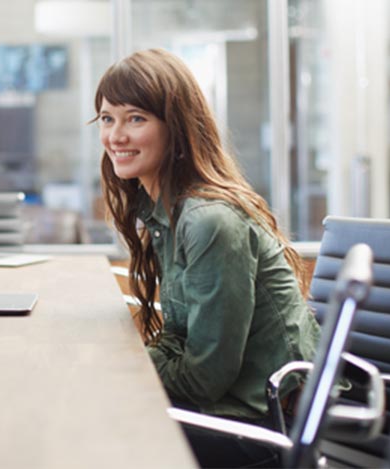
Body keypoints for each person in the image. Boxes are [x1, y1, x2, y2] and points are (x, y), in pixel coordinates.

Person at [93, 48, 321, 467]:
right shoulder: (166, 211)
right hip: (231, 409)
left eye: (135, 118)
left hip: (254, 426)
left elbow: (205, 378)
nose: (116, 136)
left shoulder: (207, 221)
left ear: (175, 128)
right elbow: (182, 338)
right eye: (108, 118)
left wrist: (121, 362)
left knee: (91, 424)